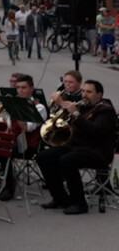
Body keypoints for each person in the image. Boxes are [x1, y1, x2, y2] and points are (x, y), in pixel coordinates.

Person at [38, 80, 116, 214]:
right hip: (78, 148)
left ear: (99, 94)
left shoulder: (106, 111)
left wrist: (75, 114)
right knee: (43, 157)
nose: (84, 95)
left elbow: (95, 131)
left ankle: (79, 203)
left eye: (89, 92)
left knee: (67, 160)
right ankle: (60, 198)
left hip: (98, 152)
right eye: (84, 91)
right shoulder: (83, 106)